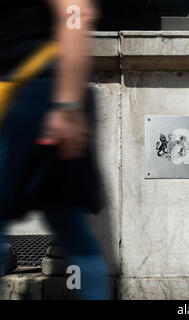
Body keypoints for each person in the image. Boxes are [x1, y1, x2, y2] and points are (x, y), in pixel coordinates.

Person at [0, 0, 109, 299]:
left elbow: (75, 12)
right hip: (29, 98)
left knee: (73, 228)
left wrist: (67, 105)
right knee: (71, 225)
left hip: (38, 96)